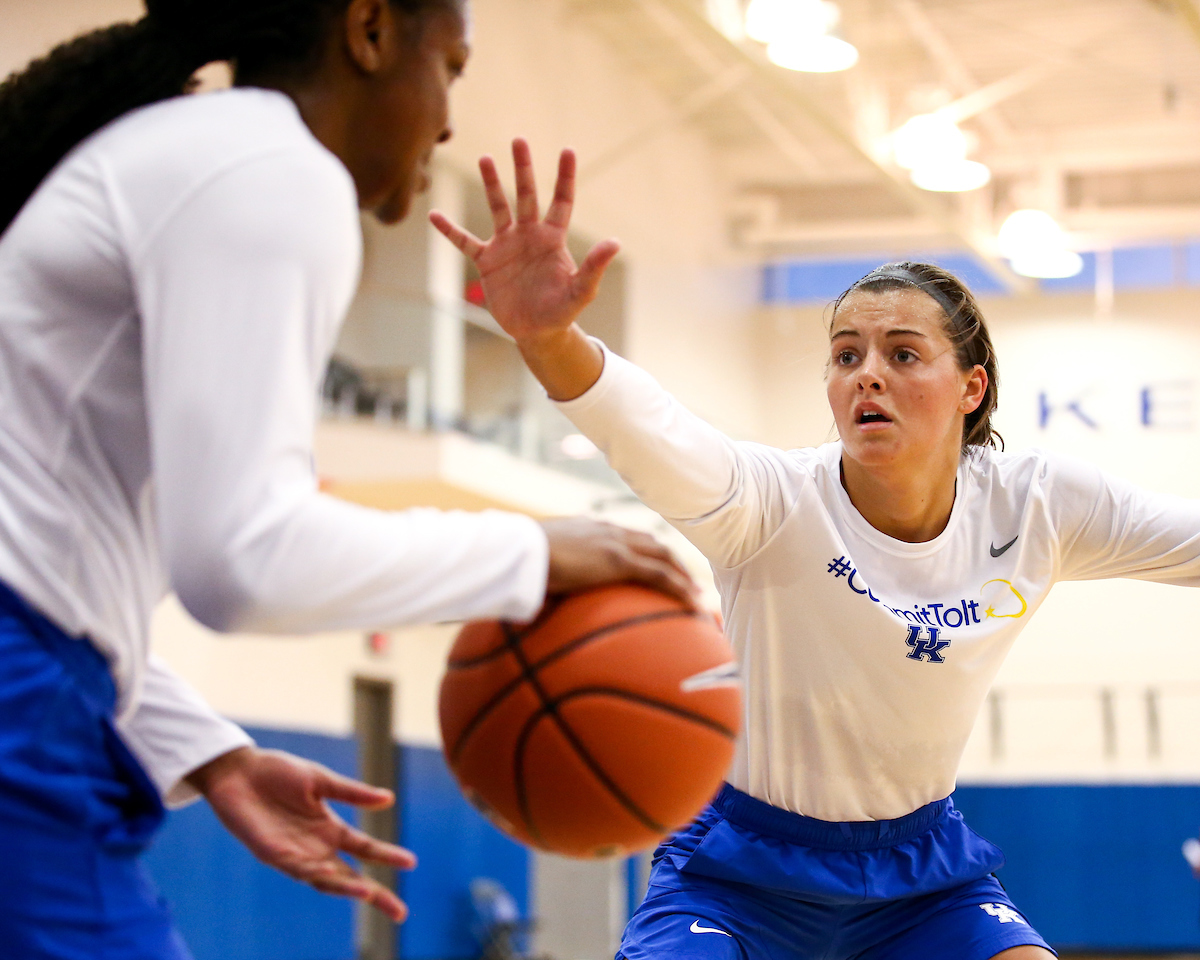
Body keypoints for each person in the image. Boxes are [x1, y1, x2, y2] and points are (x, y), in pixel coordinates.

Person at [0, 3, 698, 958]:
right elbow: (243, 561)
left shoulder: (199, 153)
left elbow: (64, 574)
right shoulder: (272, 170)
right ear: (368, 31)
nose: (451, 118)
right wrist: (532, 550)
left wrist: (213, 754)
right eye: (450, 66)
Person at [433, 140, 1200, 959]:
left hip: (921, 876)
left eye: (902, 354)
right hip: (739, 873)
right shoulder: (772, 501)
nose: (867, 375)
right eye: (846, 355)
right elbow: (652, 429)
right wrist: (550, 338)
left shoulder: (1039, 501)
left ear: (970, 387)